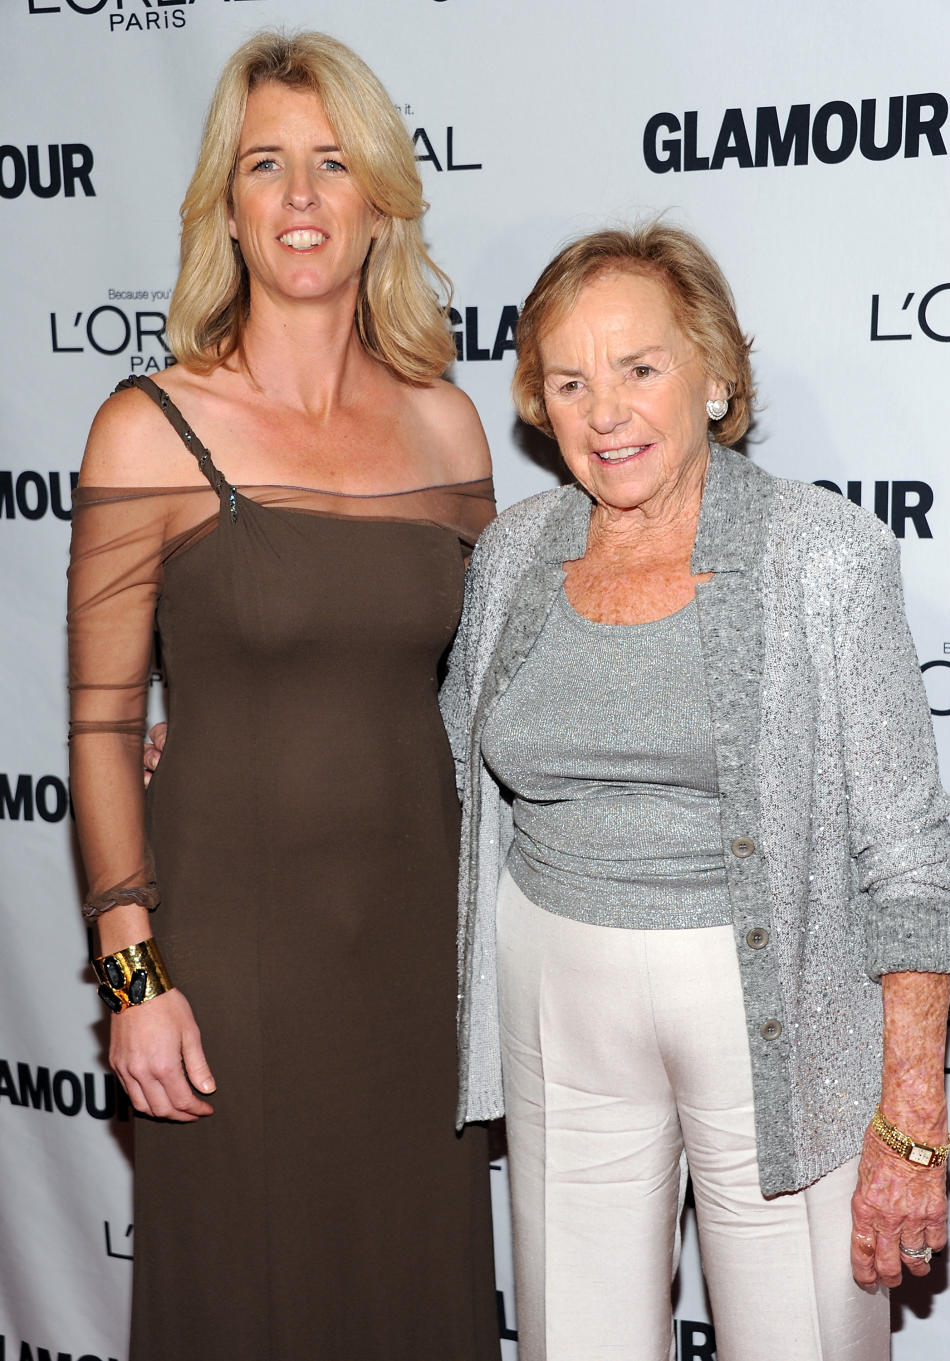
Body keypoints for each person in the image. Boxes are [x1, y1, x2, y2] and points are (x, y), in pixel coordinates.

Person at [440, 222, 950, 1361]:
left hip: (773, 1018)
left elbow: (913, 862)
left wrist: (913, 1119)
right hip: (556, 999)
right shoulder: (513, 556)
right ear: (538, 403)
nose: (605, 411)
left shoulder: (822, 554)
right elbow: (443, 772)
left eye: (640, 367)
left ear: (715, 373)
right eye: (569, 381)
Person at [67, 30, 500, 1361]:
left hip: (418, 970)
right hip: (231, 971)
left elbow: (493, 696)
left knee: (409, 1295)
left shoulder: (449, 428)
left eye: (332, 163)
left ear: (380, 201)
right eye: (267, 165)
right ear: (227, 204)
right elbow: (95, 730)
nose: (303, 197)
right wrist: (134, 976)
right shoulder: (148, 427)